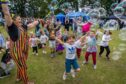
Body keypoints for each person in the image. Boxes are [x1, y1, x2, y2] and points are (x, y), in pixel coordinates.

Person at [1, 1, 39, 84]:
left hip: (23, 50)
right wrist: (4, 3)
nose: (20, 20)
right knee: (22, 66)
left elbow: (31, 25)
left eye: (20, 18)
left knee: (20, 65)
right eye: (18, 19)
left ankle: (18, 77)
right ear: (13, 21)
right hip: (17, 52)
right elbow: (7, 14)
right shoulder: (12, 27)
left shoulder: (23, 26)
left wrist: (37, 22)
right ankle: (26, 82)